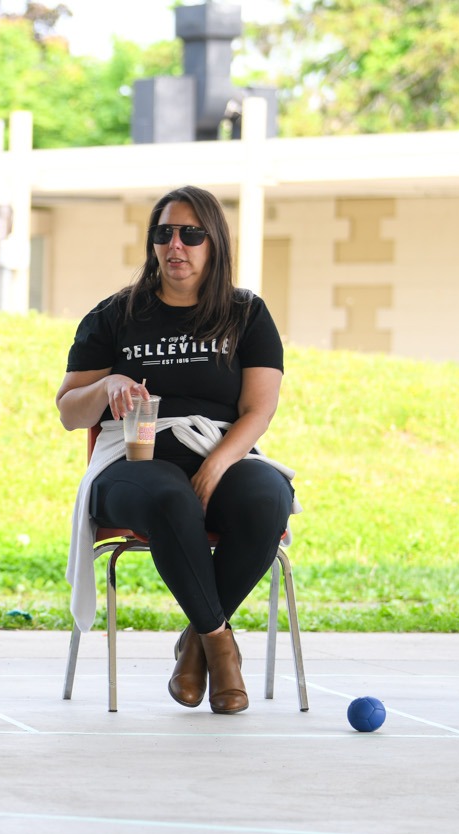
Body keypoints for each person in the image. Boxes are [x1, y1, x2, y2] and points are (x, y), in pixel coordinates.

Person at [57, 185, 293, 714]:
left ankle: (195, 642)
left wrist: (218, 463)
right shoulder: (115, 315)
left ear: (215, 244)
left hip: (219, 449)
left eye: (191, 234)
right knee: (170, 497)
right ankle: (220, 648)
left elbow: (259, 409)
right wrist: (107, 385)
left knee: (266, 496)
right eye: (164, 233)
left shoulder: (246, 314)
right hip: (130, 463)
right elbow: (70, 411)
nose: (176, 245)